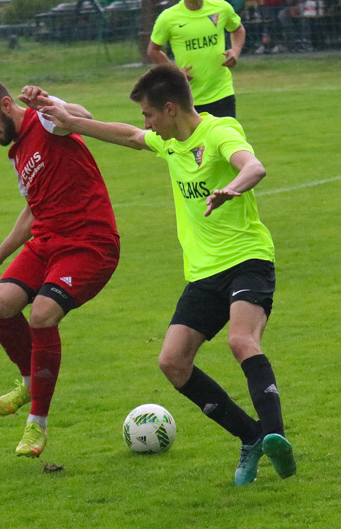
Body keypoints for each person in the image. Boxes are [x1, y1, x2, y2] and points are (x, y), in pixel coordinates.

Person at [37, 64, 296, 486]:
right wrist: (74, 121)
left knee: (240, 339)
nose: (147, 122)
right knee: (173, 362)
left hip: (248, 258)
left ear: (170, 108)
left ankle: (275, 438)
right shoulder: (169, 142)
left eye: (149, 114)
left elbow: (254, 166)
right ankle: (250, 437)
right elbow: (129, 136)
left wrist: (234, 187)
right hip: (204, 273)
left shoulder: (218, 131)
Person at [0, 79, 120, 458]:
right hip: (48, 241)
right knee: (2, 305)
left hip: (88, 242)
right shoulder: (17, 154)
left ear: (5, 103)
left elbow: (83, 118)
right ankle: (30, 380)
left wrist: (52, 102)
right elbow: (32, 211)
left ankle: (38, 424)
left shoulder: (47, 120)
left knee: (42, 315)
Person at [148, 0, 247, 118]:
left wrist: (235, 50)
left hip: (222, 93)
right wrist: (174, 72)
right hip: (187, 98)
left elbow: (237, 29)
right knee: (197, 144)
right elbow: (153, 50)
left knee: (227, 143)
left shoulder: (221, 8)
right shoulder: (168, 18)